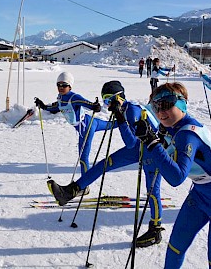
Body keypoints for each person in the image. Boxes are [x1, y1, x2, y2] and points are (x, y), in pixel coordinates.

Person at [48, 80, 165, 248]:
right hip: (138, 148)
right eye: (105, 100)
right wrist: (118, 117)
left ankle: (155, 230)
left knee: (152, 190)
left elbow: (131, 142)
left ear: (120, 96)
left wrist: (120, 119)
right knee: (103, 164)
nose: (108, 104)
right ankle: (70, 191)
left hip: (153, 151)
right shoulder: (123, 110)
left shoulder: (131, 110)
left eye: (110, 99)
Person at [133, 82, 211, 268]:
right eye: (156, 106)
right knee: (175, 247)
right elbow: (160, 157)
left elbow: (176, 177)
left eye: (166, 104)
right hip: (200, 194)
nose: (160, 112)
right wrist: (153, 137)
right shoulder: (172, 128)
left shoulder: (188, 134)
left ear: (182, 104)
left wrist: (152, 143)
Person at [35, 72, 106, 195]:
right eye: (59, 85)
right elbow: (56, 107)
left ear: (70, 86)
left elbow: (89, 105)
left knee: (83, 158)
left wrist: (95, 106)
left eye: (64, 85)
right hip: (82, 128)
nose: (61, 87)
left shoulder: (74, 97)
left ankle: (85, 186)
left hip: (87, 127)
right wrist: (44, 106)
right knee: (83, 157)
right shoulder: (61, 97)